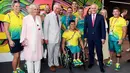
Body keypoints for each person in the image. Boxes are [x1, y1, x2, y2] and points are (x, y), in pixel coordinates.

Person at [20, 4, 44, 73]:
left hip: (38, 41)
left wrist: (42, 38)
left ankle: (37, 71)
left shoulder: (38, 18)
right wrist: (23, 40)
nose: (36, 11)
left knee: (38, 58)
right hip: (29, 42)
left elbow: (41, 29)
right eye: (34, 9)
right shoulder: (26, 18)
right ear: (30, 10)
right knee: (29, 59)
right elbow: (23, 30)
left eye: (37, 9)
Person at [84, 4, 106, 73]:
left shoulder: (101, 17)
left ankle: (101, 65)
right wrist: (85, 37)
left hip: (98, 37)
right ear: (90, 9)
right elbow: (85, 28)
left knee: (99, 51)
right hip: (90, 37)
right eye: (92, 8)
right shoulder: (87, 17)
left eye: (94, 8)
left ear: (97, 9)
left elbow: (103, 28)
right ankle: (91, 63)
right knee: (90, 51)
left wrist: (103, 38)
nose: (93, 9)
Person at [4, 1, 24, 73]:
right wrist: (10, 40)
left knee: (19, 55)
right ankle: (14, 71)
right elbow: (6, 29)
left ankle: (18, 68)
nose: (18, 8)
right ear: (12, 7)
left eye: (19, 6)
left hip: (20, 39)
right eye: (16, 6)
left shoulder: (21, 15)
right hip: (13, 39)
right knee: (16, 55)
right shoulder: (8, 15)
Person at [44, 3, 62, 72]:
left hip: (58, 38)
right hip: (50, 38)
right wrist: (46, 38)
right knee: (50, 52)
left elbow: (58, 28)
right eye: (58, 8)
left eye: (59, 8)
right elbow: (45, 28)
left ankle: (56, 63)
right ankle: (51, 64)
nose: (59, 10)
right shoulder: (48, 16)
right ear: (54, 8)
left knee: (56, 52)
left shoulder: (59, 16)